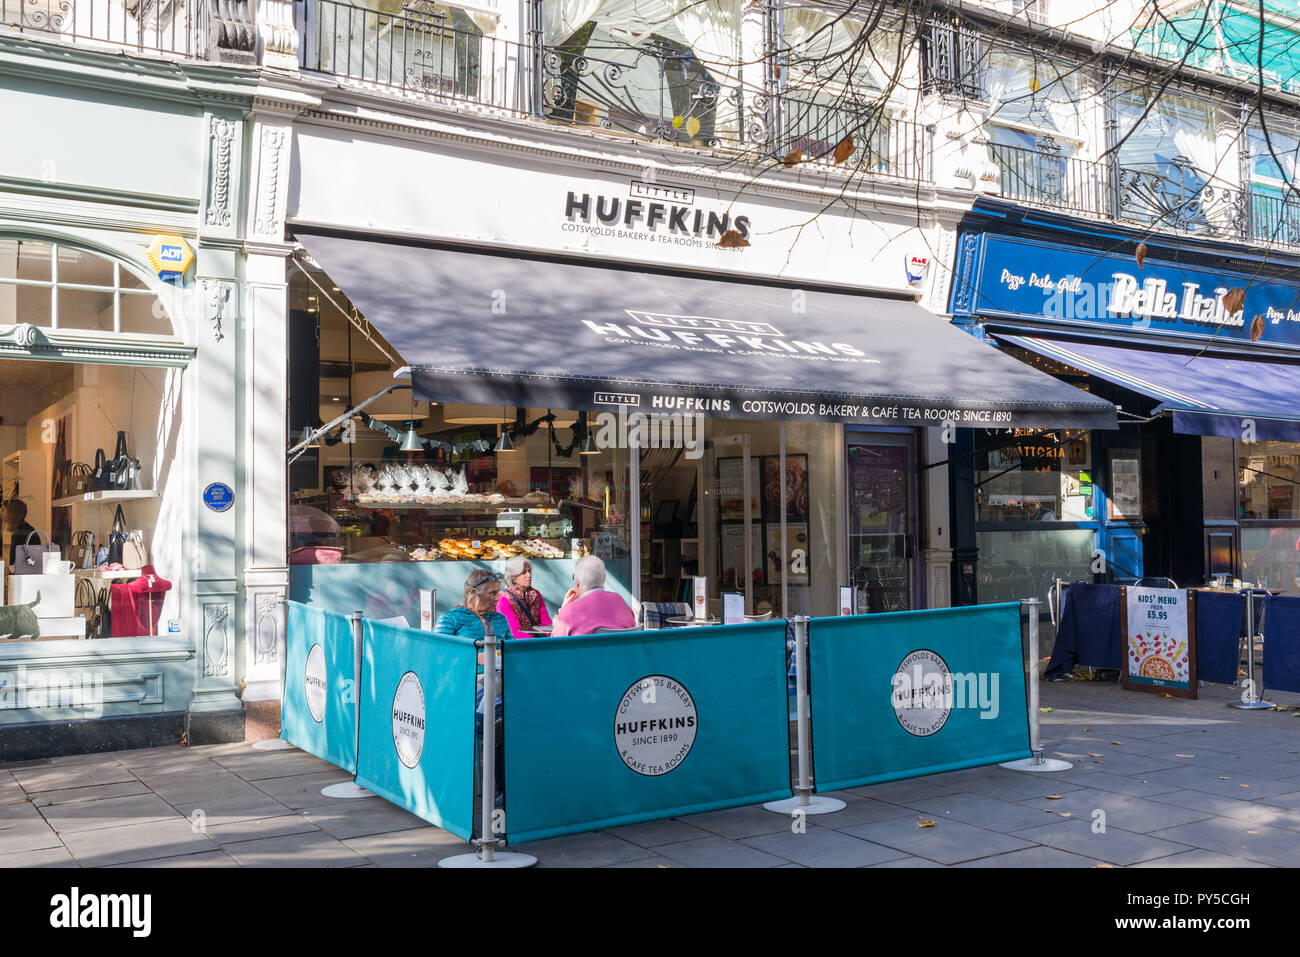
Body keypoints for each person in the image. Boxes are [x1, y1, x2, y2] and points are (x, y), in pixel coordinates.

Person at [552, 554, 636, 636]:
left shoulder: (569, 612)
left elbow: (554, 644)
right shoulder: (621, 603)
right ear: (603, 579)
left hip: (586, 650)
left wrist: (563, 610)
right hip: (622, 650)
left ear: (577, 583)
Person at [434, 568, 511, 639]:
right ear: (473, 593)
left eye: (498, 593)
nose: (497, 598)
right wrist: (475, 654)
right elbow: (436, 650)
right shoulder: (450, 619)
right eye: (492, 593)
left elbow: (513, 650)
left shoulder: (501, 619)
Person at [496, 557, 553, 638]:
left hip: (540, 643)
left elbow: (546, 623)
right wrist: (539, 642)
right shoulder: (504, 599)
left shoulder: (536, 595)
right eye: (524, 572)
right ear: (513, 578)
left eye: (529, 571)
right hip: (520, 646)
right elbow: (514, 632)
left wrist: (551, 638)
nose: (529, 575)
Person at [2, 498, 37, 572]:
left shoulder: (24, 531)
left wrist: (8, 570)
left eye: (3, 510)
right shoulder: (19, 529)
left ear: (12, 513)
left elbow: (29, 559)